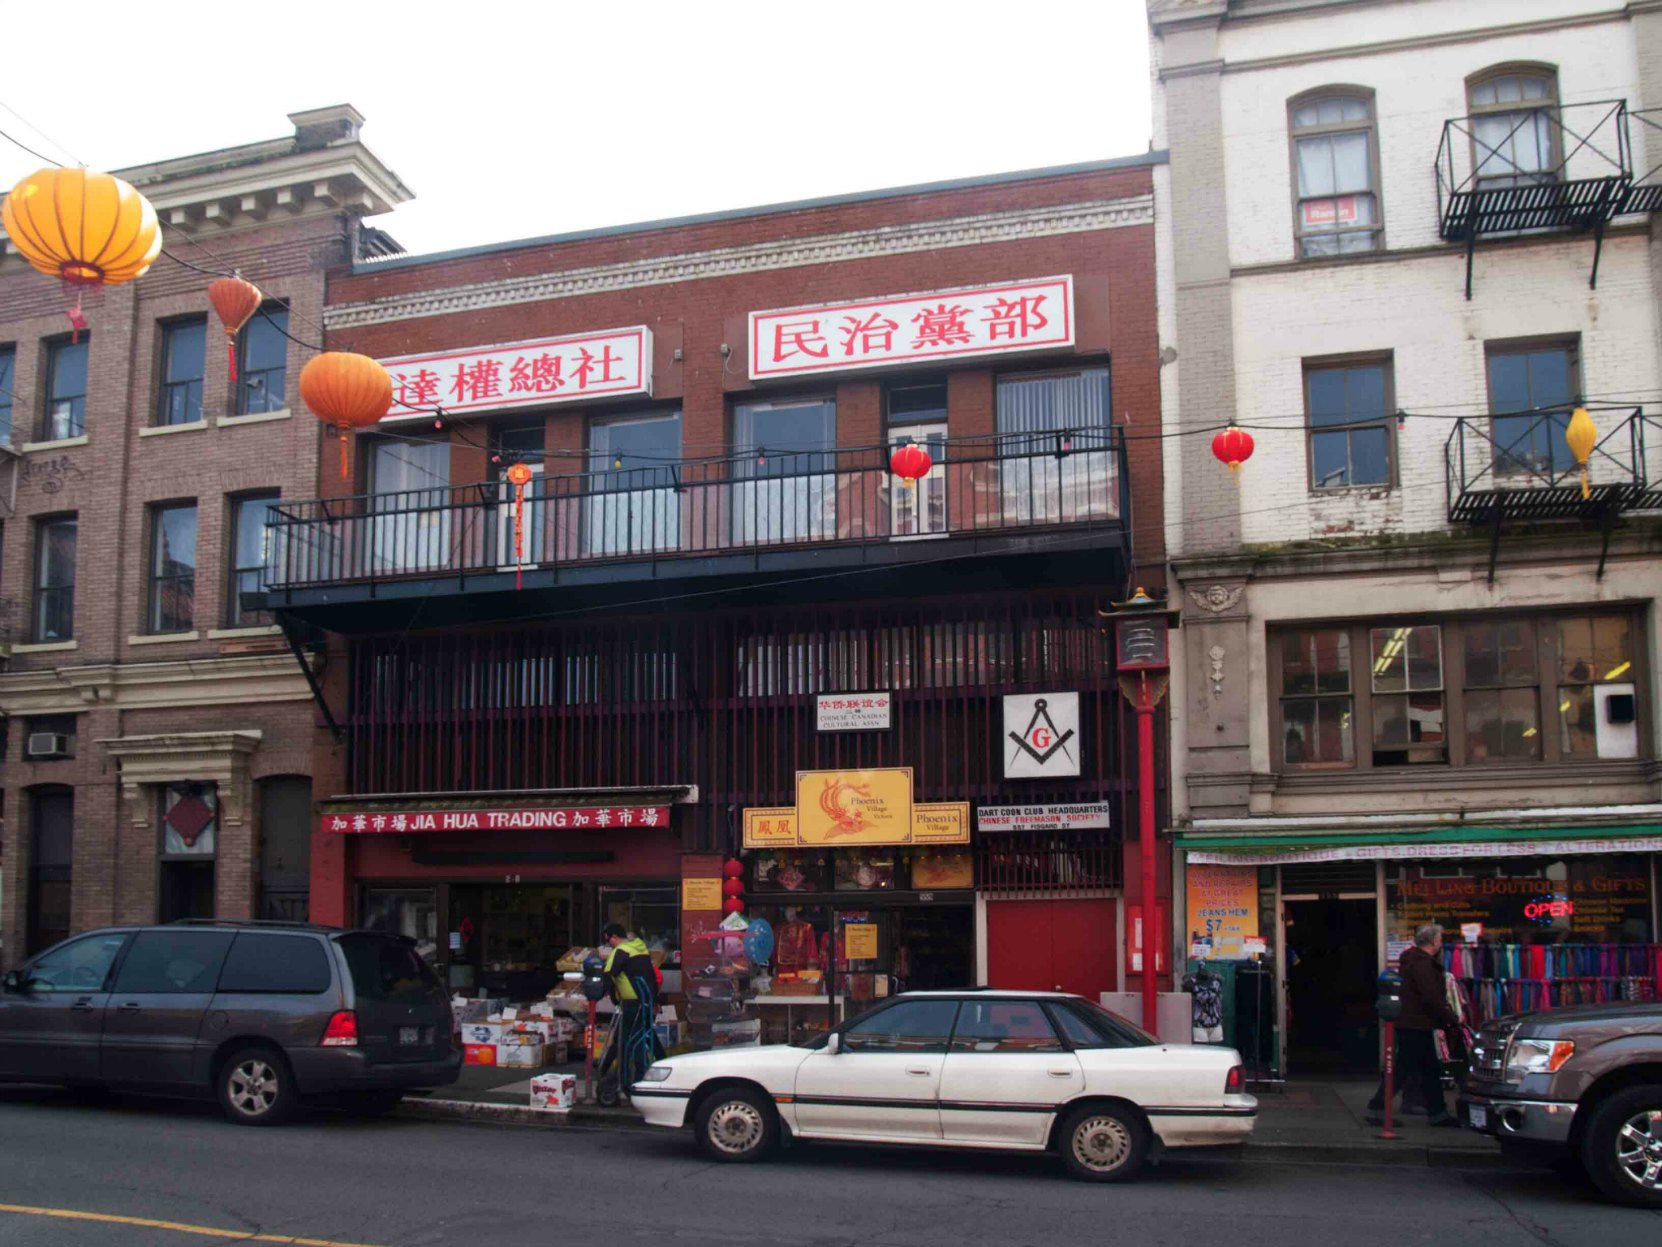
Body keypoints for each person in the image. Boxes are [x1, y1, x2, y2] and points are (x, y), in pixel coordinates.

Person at [1367, 923, 1462, 1127]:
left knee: (1428, 1069)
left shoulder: (1413, 960)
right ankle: (1377, 1107)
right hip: (1417, 1023)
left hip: (1415, 1022)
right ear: (1434, 941)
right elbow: (1430, 996)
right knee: (1406, 1069)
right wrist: (1449, 1018)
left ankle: (1437, 1112)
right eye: (1440, 939)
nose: (1441, 943)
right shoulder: (1423, 964)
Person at [600, 923, 658, 1089]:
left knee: (626, 1042)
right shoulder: (641, 949)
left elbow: (608, 975)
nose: (609, 944)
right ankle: (643, 1074)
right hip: (646, 1000)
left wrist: (610, 997)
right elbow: (651, 975)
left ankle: (626, 1082)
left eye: (608, 940)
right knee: (642, 1038)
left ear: (613, 937)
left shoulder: (620, 951)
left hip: (632, 1002)